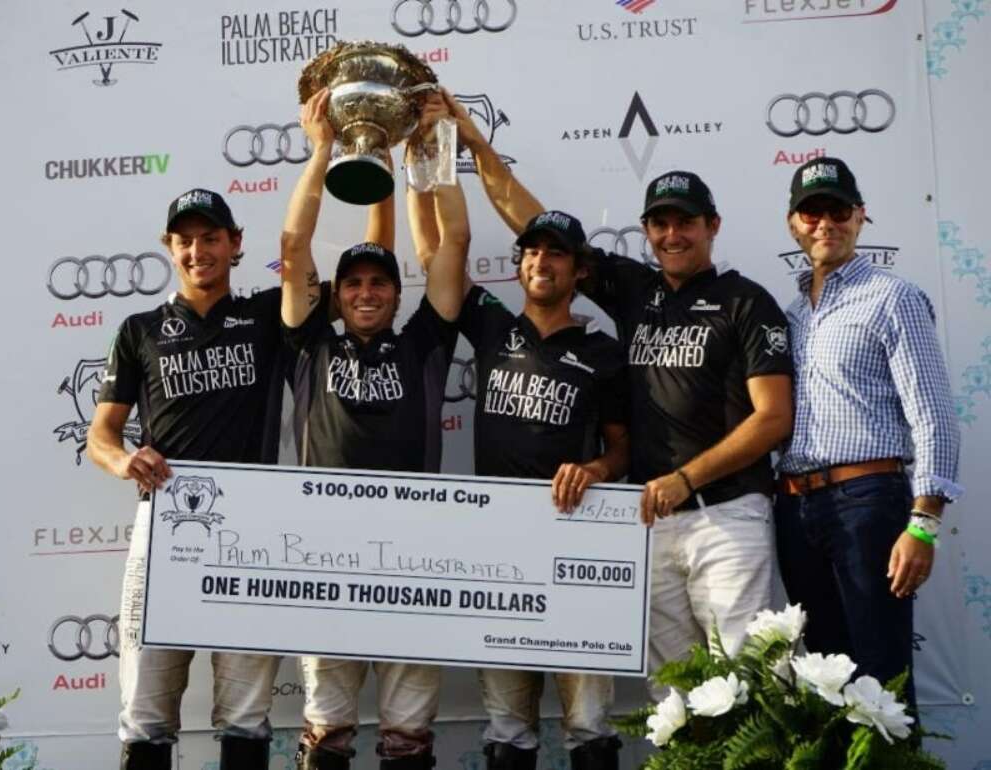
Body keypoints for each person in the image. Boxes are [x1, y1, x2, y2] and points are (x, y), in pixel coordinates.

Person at [446, 91, 793, 693]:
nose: (672, 234)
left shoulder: (746, 300)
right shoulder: (636, 290)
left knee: (750, 686)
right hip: (651, 518)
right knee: (677, 696)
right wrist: (474, 143)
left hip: (729, 515)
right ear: (647, 231)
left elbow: (773, 419)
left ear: (712, 225)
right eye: (660, 223)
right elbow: (531, 220)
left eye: (686, 221)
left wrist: (688, 478)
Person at [409, 95, 630, 770]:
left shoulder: (604, 352)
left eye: (557, 253)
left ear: (578, 271)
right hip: (498, 544)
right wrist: (426, 152)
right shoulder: (493, 325)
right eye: (532, 249)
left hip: (573, 542)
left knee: (589, 722)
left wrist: (593, 469)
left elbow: (624, 450)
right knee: (508, 727)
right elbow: (438, 252)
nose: (541, 261)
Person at [281, 88, 469, 770]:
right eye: (352, 283)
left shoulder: (423, 344)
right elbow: (293, 243)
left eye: (378, 283)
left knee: (406, 738)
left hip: (415, 554)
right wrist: (324, 149)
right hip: (324, 554)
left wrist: (431, 146)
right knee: (326, 733)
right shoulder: (310, 345)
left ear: (396, 293)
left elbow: (455, 245)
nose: (365, 292)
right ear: (336, 295)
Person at [87, 188, 287, 770]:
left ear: (235, 244)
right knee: (145, 718)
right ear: (170, 249)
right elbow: (100, 436)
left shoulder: (268, 316)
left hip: (250, 536)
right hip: (164, 532)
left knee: (246, 719)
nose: (197, 250)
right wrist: (124, 460)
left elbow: (300, 257)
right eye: (185, 240)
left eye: (210, 238)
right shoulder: (139, 329)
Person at [775, 156, 961, 705]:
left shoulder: (893, 297)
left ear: (860, 217)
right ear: (793, 223)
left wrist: (923, 525)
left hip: (868, 502)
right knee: (824, 685)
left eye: (837, 210)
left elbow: (933, 415)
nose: (824, 223)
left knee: (881, 685)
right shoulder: (789, 314)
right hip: (794, 508)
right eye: (812, 212)